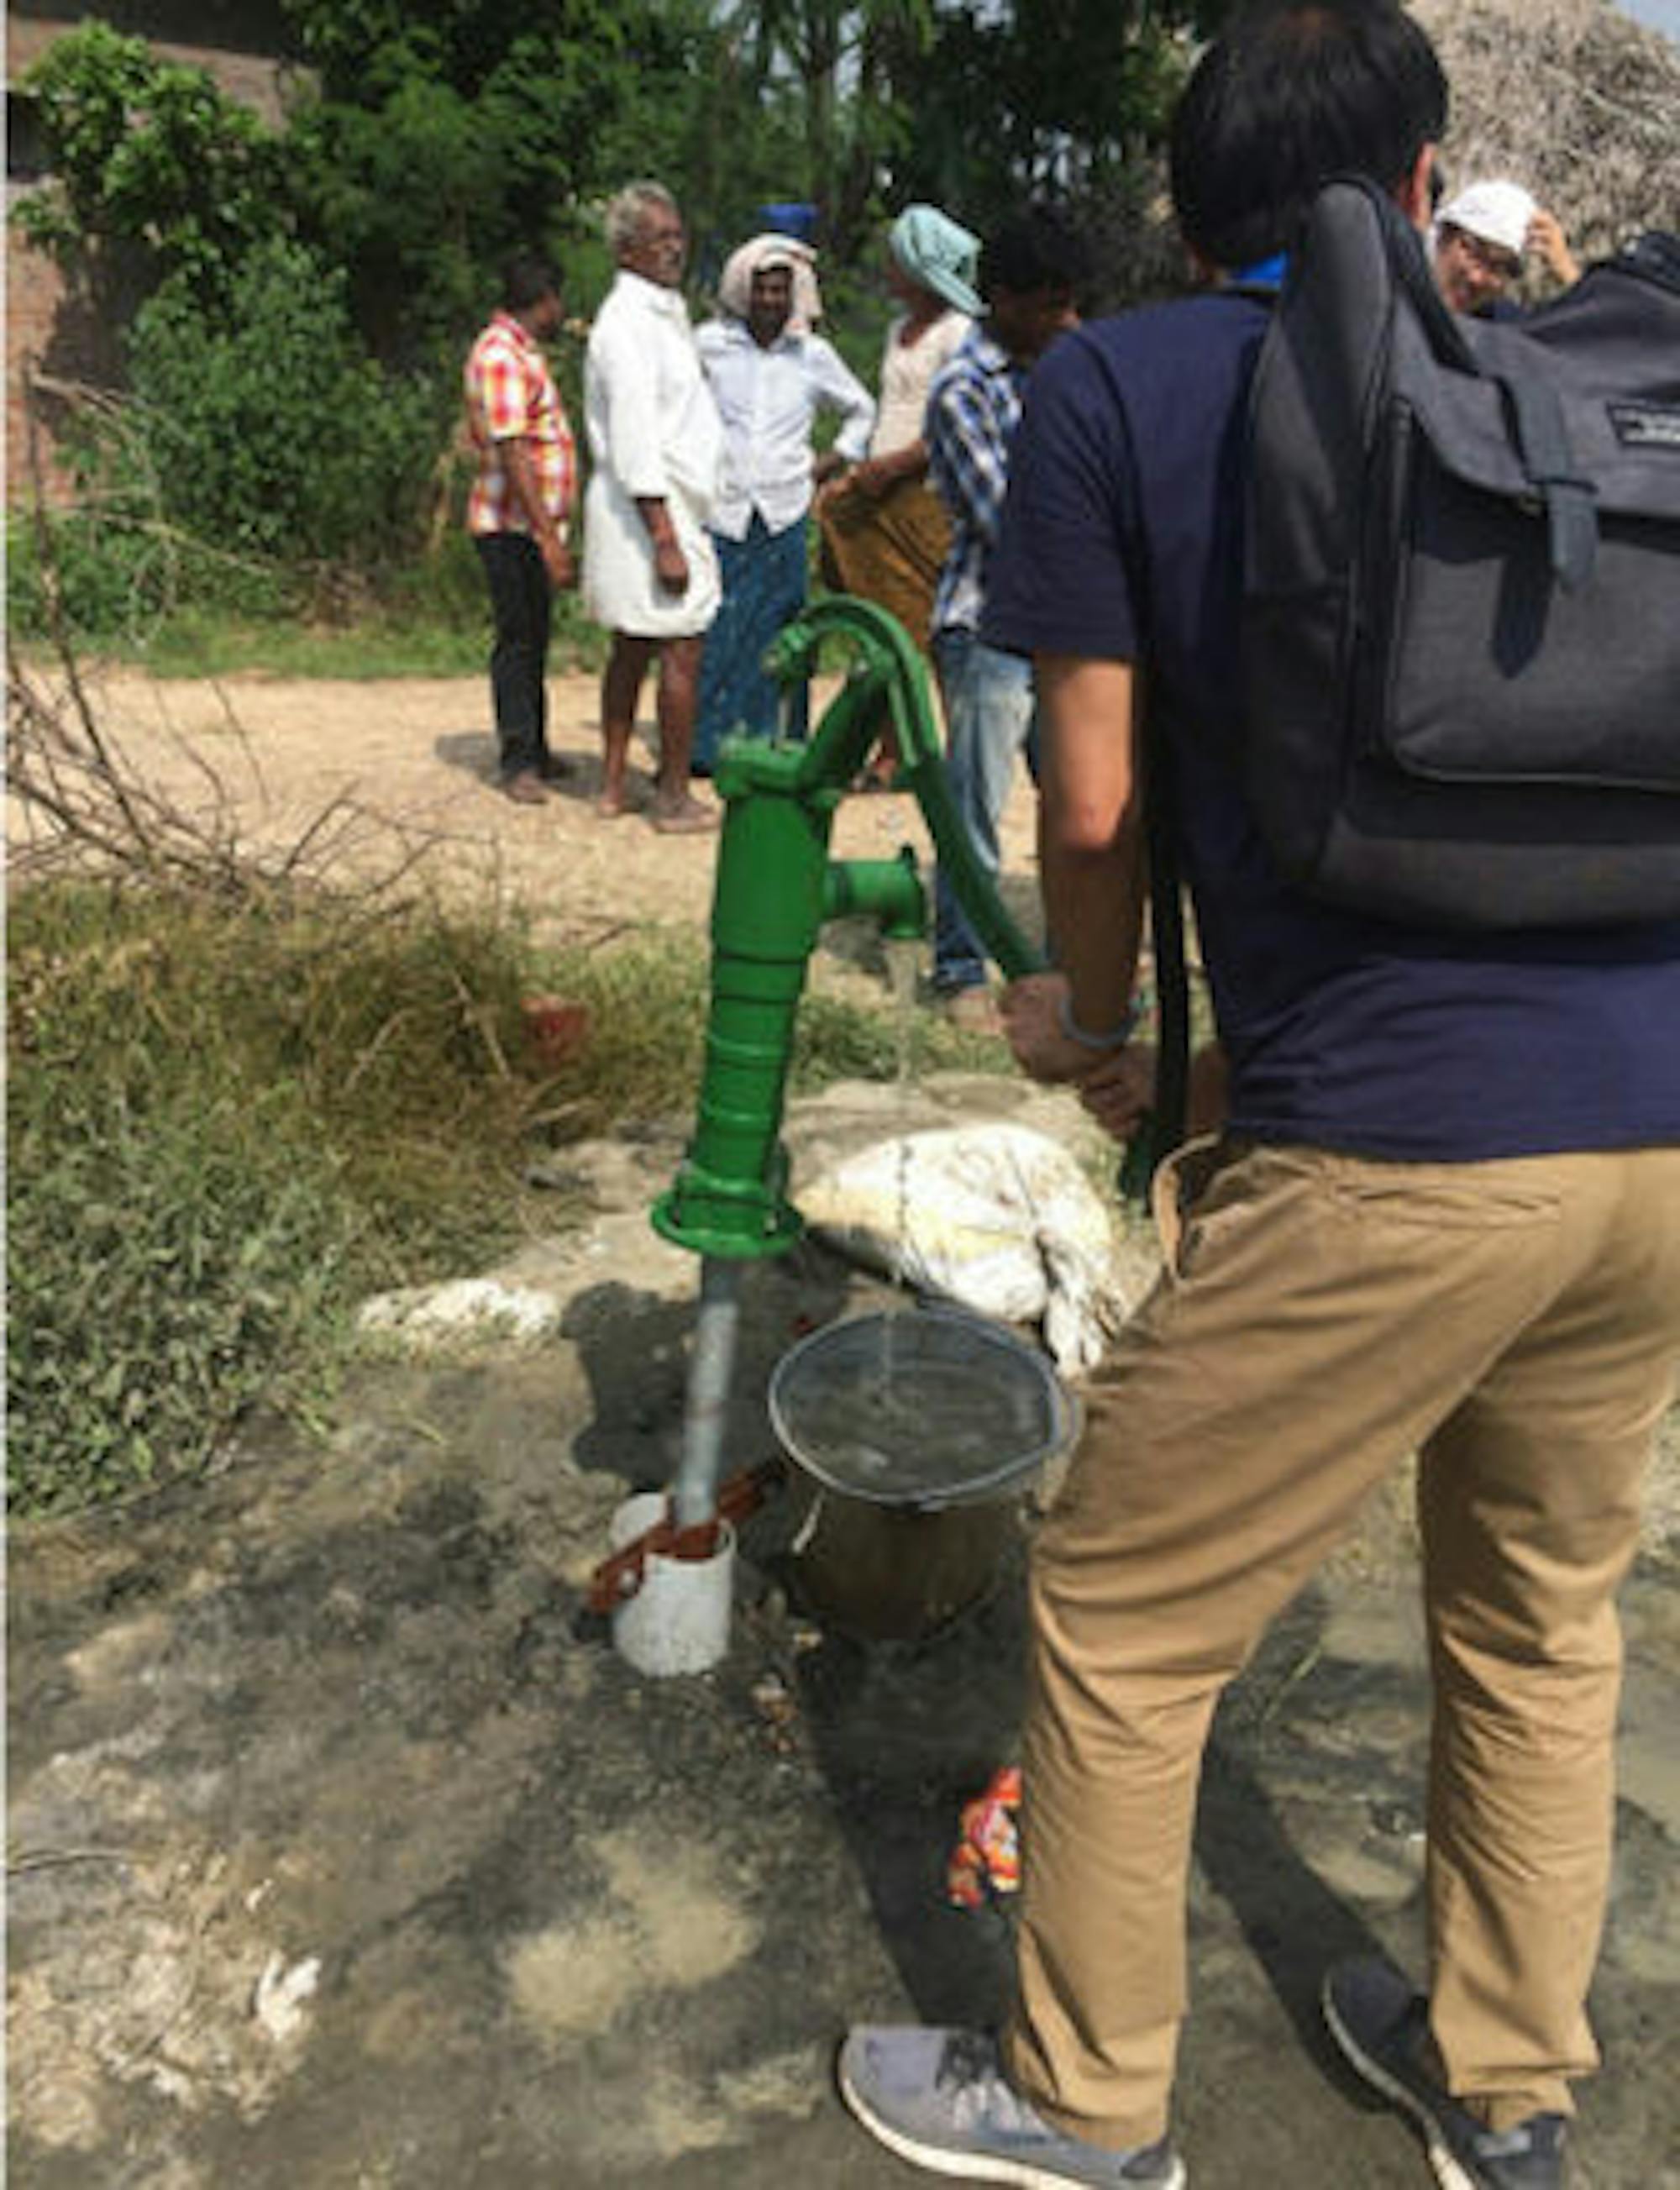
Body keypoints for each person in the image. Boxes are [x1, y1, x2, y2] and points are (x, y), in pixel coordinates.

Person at [837, 7, 1680, 2190]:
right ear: (1418, 184)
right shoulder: (1527, 379)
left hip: (1400, 1154)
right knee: (1532, 1609)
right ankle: (1497, 2078)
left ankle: (1082, 2098)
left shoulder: (1130, 382)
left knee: (1119, 1604)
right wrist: (1204, 1059)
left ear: (1191, 208)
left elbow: (1095, 790)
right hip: (1653, 1131)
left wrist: (1084, 1008)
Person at [923, 205, 1089, 1027]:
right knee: (974, 810)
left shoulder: (1066, 372)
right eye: (1045, 306)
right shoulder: (963, 390)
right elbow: (1009, 518)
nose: (1063, 321)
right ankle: (957, 966)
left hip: (1065, 629)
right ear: (998, 299)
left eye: (1068, 303)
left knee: (1074, 807)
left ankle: (1072, 968)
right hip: (989, 623)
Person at [692, 235, 874, 770]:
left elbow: (861, 409)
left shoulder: (812, 356)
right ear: (741, 292)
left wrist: (829, 463)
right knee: (718, 626)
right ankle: (710, 748)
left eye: (780, 291)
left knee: (781, 628)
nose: (771, 300)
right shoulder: (709, 345)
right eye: (762, 289)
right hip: (723, 506)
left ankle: (777, 745)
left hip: (784, 508)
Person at [816, 202, 978, 780]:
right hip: (880, 486)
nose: (886, 270)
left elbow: (950, 420)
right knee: (883, 624)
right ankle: (893, 750)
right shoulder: (896, 330)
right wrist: (863, 470)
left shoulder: (957, 331)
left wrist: (896, 467)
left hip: (923, 492)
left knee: (933, 628)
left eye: (895, 261)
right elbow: (893, 406)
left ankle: (955, 752)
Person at [581, 181, 723, 832]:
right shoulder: (625, 323)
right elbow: (635, 433)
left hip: (662, 503)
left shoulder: (663, 312)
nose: (675, 248)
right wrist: (664, 535)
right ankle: (669, 793)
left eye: (678, 236)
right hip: (650, 507)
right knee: (676, 648)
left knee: (635, 646)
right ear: (627, 248)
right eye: (661, 238)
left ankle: (614, 785)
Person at [462, 254, 578, 805]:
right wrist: (546, 534)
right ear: (546, 299)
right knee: (517, 639)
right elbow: (513, 449)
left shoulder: (521, 353)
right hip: (511, 524)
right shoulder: (502, 354)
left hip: (528, 523)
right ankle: (518, 759)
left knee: (535, 635)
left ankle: (535, 743)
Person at [1431, 176, 1579, 317]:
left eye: (1498, 269)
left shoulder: (1498, 325)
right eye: (1471, 253)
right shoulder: (1407, 292)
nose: (1476, 278)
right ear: (1443, 235)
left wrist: (1569, 277)